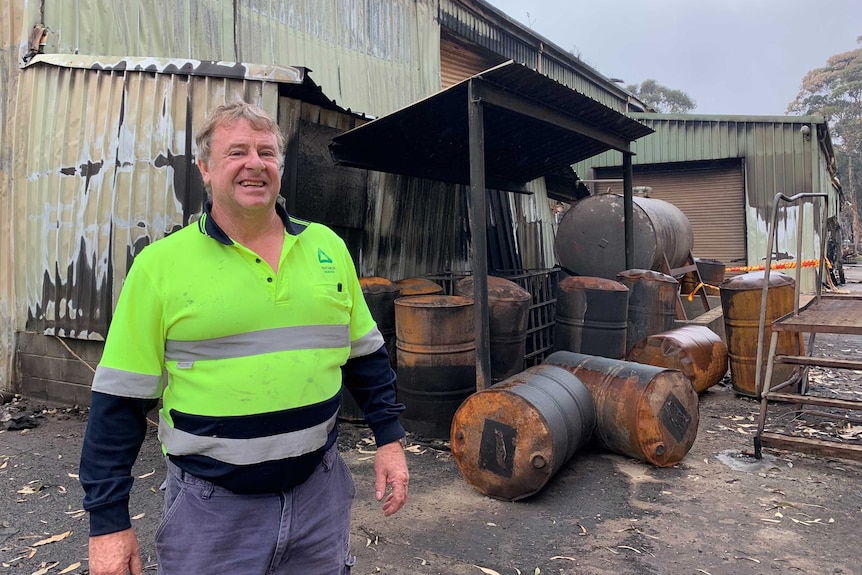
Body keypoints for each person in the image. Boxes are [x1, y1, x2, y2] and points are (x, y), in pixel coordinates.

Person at [79, 101, 409, 575]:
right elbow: (119, 402)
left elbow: (366, 357)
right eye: (237, 152)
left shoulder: (327, 248)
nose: (255, 163)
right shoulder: (160, 267)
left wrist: (390, 440)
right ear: (206, 169)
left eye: (266, 152)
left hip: (319, 496)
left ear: (280, 166)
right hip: (212, 511)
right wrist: (108, 523)